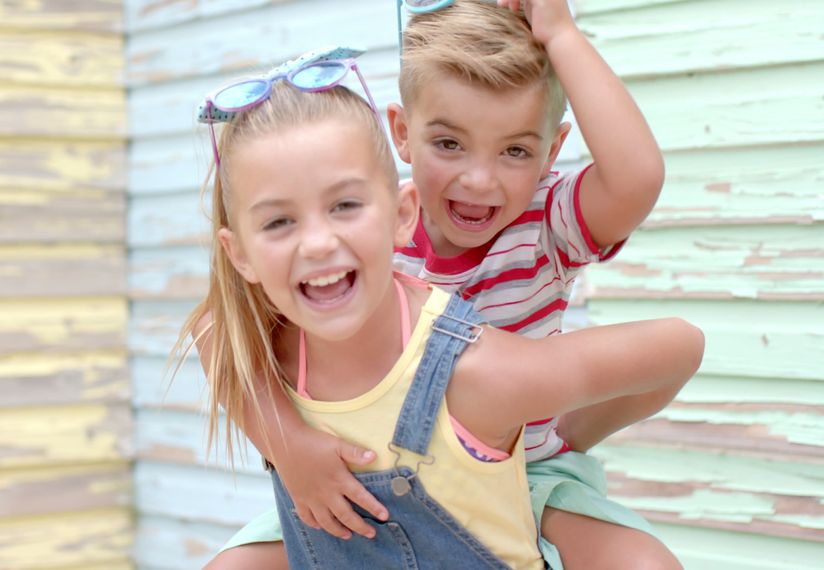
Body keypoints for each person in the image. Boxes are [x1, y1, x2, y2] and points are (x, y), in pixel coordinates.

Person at [180, 45, 701, 569]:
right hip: (346, 488)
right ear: (403, 133)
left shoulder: (544, 224)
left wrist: (569, 431)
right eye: (449, 143)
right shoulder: (359, 255)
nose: (478, 179)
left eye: (514, 150)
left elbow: (636, 185)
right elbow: (215, 329)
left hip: (527, 467)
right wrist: (288, 445)